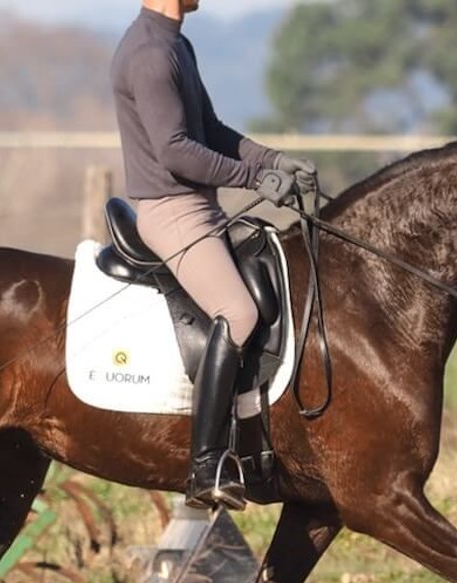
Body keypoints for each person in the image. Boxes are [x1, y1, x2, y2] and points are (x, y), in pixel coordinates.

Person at [111, 0, 316, 511]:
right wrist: (253, 178)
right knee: (240, 313)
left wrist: (272, 160)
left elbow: (213, 131)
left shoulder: (175, 42)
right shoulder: (151, 54)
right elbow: (176, 150)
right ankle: (205, 467)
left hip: (201, 206)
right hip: (173, 212)